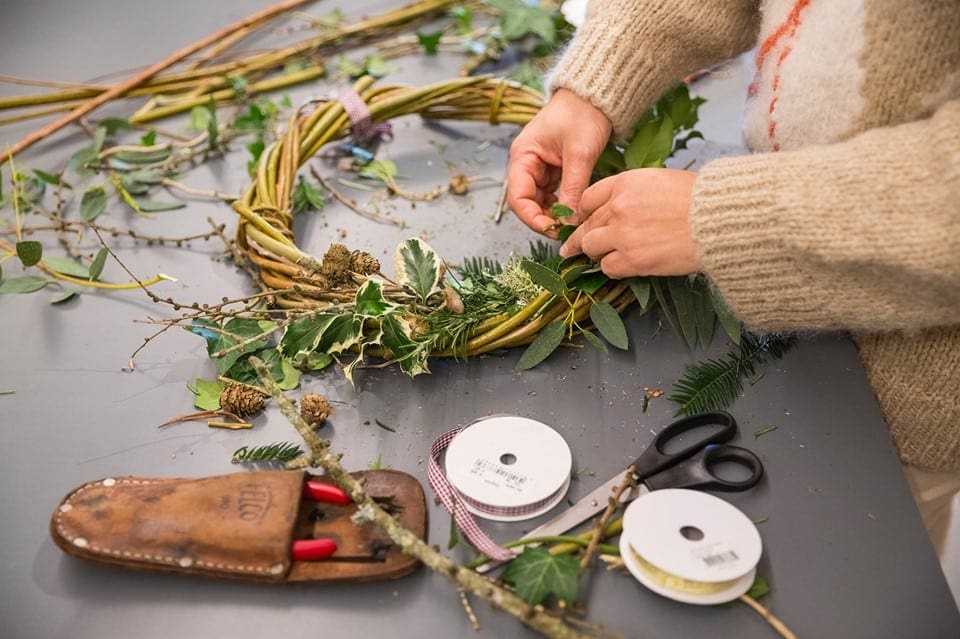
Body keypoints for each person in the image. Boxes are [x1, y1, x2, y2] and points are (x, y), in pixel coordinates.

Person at [507, 0, 959, 565]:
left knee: (843, 579)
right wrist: (598, 82)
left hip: (906, 395)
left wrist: (725, 217)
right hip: (762, 315)